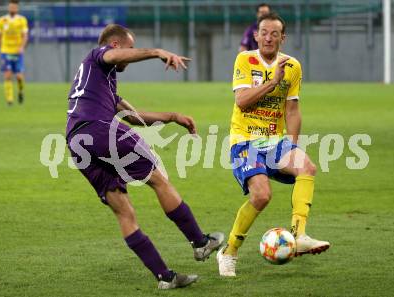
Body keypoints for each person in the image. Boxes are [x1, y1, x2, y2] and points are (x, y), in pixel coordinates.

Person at [66, 24, 224, 289]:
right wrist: (157, 52)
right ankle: (200, 242)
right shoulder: (99, 55)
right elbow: (116, 57)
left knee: (124, 211)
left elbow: (133, 117)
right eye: (130, 47)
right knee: (158, 179)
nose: (132, 53)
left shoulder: (99, 82)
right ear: (115, 45)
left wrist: (172, 117)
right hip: (99, 129)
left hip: (77, 142)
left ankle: (165, 278)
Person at [217, 13, 330, 277]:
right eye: (264, 32)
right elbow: (242, 101)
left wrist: (292, 145)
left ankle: (298, 234)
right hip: (245, 140)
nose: (268, 37)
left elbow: (292, 109)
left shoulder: (293, 66)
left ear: (283, 38)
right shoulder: (245, 60)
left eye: (274, 33)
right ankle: (229, 252)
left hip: (275, 140)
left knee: (307, 167)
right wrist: (271, 83)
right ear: (256, 36)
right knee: (262, 196)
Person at [0, 0, 28, 106]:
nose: (12, 9)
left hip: (17, 52)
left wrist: (22, 47)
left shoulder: (22, 20)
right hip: (5, 51)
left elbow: (25, 35)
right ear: (8, 8)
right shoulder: (2, 20)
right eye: (11, 7)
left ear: (17, 8)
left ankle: (20, 92)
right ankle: (9, 100)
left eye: (14, 7)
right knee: (7, 75)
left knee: (19, 77)